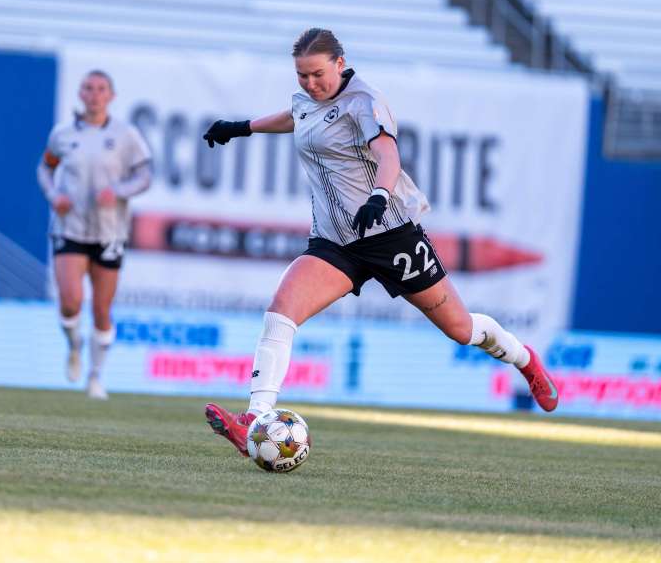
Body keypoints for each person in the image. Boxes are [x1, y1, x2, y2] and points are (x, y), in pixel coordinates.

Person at [201, 28, 559, 455]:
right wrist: (242, 127)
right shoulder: (305, 101)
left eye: (318, 74)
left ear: (340, 63)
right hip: (335, 242)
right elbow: (294, 117)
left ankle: (525, 360)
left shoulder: (364, 102)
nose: (310, 84)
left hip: (390, 236)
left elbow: (388, 155)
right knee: (280, 315)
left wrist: (379, 196)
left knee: (462, 330)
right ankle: (256, 420)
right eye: (301, 76)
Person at [37, 70, 152, 400]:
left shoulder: (125, 135)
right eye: (88, 88)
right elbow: (45, 168)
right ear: (80, 93)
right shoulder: (63, 134)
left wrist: (118, 190)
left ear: (111, 96)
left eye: (101, 89)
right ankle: (74, 344)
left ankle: (96, 376)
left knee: (102, 309)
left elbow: (145, 176)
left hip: (109, 232)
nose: (94, 94)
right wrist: (53, 195)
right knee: (71, 301)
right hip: (69, 227)